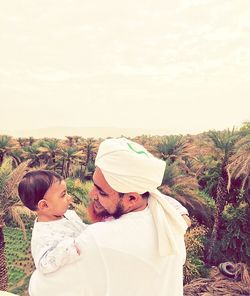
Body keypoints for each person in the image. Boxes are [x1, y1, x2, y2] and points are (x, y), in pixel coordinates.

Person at [28, 138, 190, 296]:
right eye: (95, 186)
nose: (92, 195)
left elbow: (40, 288)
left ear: (132, 198)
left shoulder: (98, 240)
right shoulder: (168, 220)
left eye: (102, 192)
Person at [18, 170, 86, 274]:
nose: (70, 198)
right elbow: (43, 265)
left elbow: (84, 230)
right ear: (44, 205)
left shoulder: (70, 214)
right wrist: (69, 248)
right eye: (63, 195)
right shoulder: (42, 236)